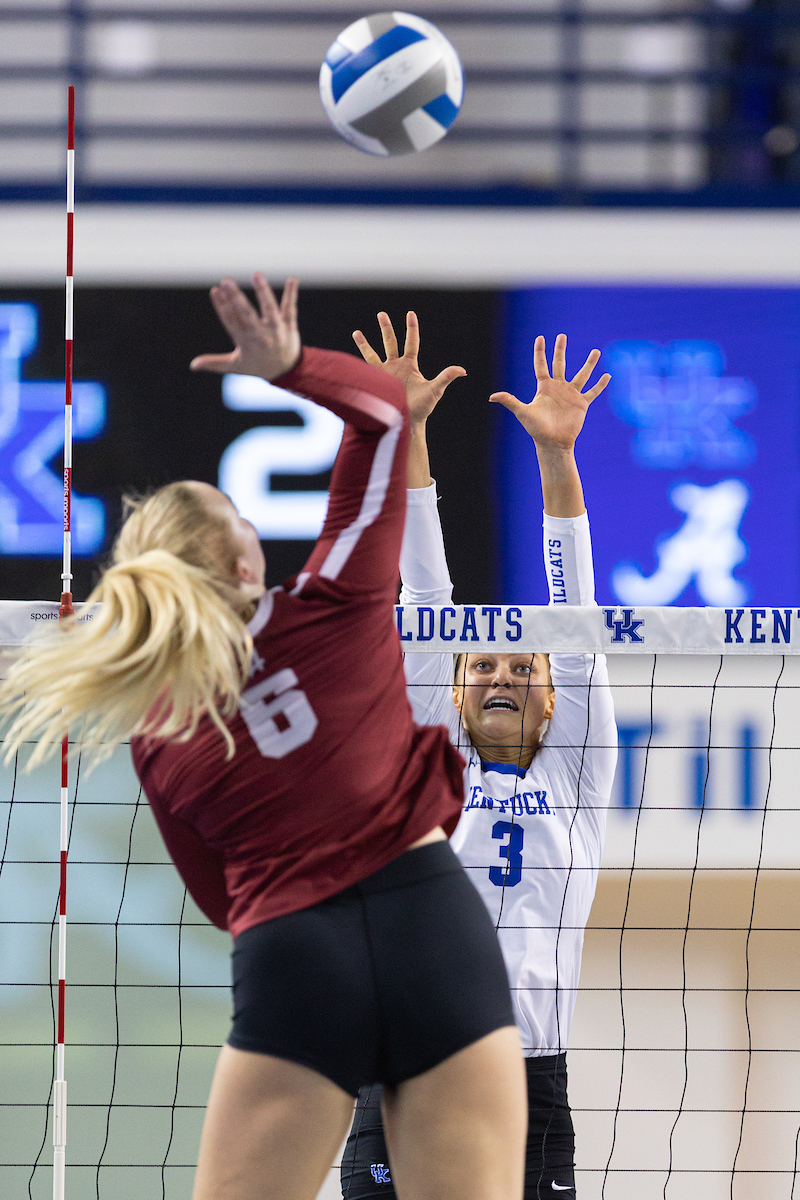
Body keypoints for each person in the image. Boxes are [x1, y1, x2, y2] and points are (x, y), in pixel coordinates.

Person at [0, 277, 527, 1200]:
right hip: (432, 928)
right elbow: (383, 421)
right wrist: (289, 366)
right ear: (246, 559)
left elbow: (222, 904)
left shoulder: (163, 728)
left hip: (296, 954)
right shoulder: (334, 605)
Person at [341, 313, 617, 1200]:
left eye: (521, 665)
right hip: (409, 1064)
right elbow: (426, 593)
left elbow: (575, 622)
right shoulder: (432, 763)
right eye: (483, 665)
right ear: (454, 693)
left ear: (551, 692)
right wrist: (411, 434)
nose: (501, 673)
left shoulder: (576, 776)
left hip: (531, 1080)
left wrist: (555, 459)